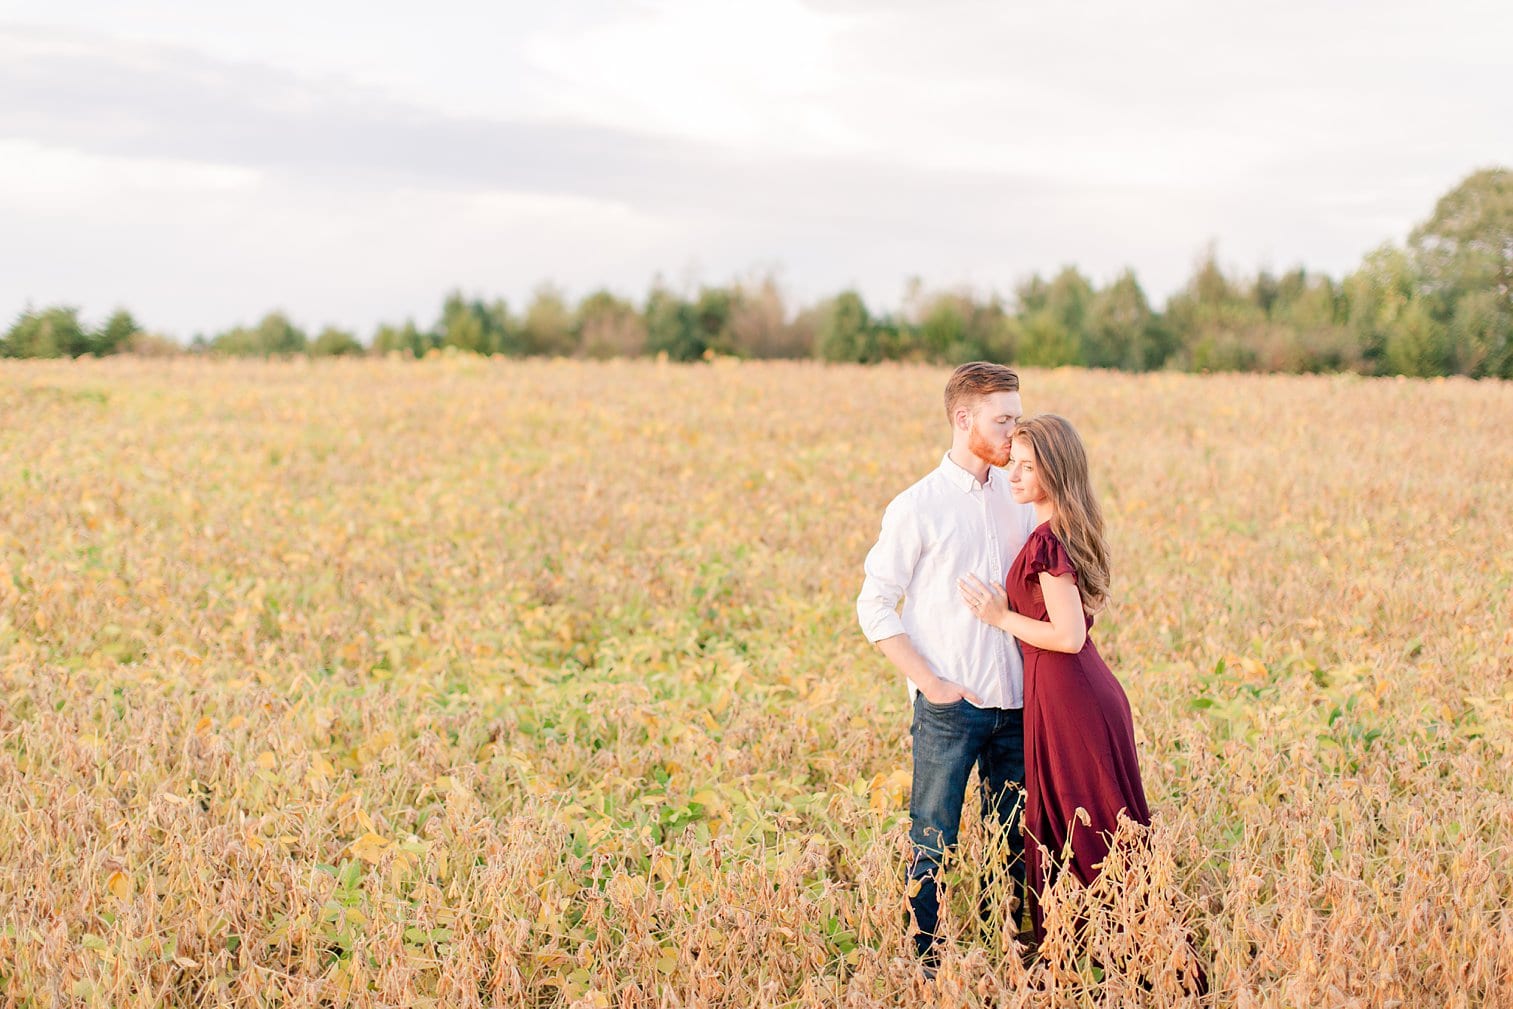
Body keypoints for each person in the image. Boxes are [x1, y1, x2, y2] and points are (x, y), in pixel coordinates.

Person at [856, 361, 1039, 968]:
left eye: (1016, 417)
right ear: (964, 420)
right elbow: (874, 605)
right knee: (933, 839)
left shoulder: (1020, 498)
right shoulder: (918, 506)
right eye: (1002, 419)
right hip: (948, 708)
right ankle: (926, 965)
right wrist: (931, 684)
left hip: (1015, 702)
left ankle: (1010, 951)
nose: (1015, 432)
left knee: (1015, 839)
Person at [956, 413, 1148, 942]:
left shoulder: (1046, 542)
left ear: (1056, 473)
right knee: (1080, 819)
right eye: (1012, 464)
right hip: (1068, 690)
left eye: (1025, 467)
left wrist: (1000, 617)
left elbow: (1069, 637)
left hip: (1072, 692)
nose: (1011, 476)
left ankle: (1127, 944)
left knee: (1092, 822)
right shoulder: (1054, 531)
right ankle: (1085, 943)